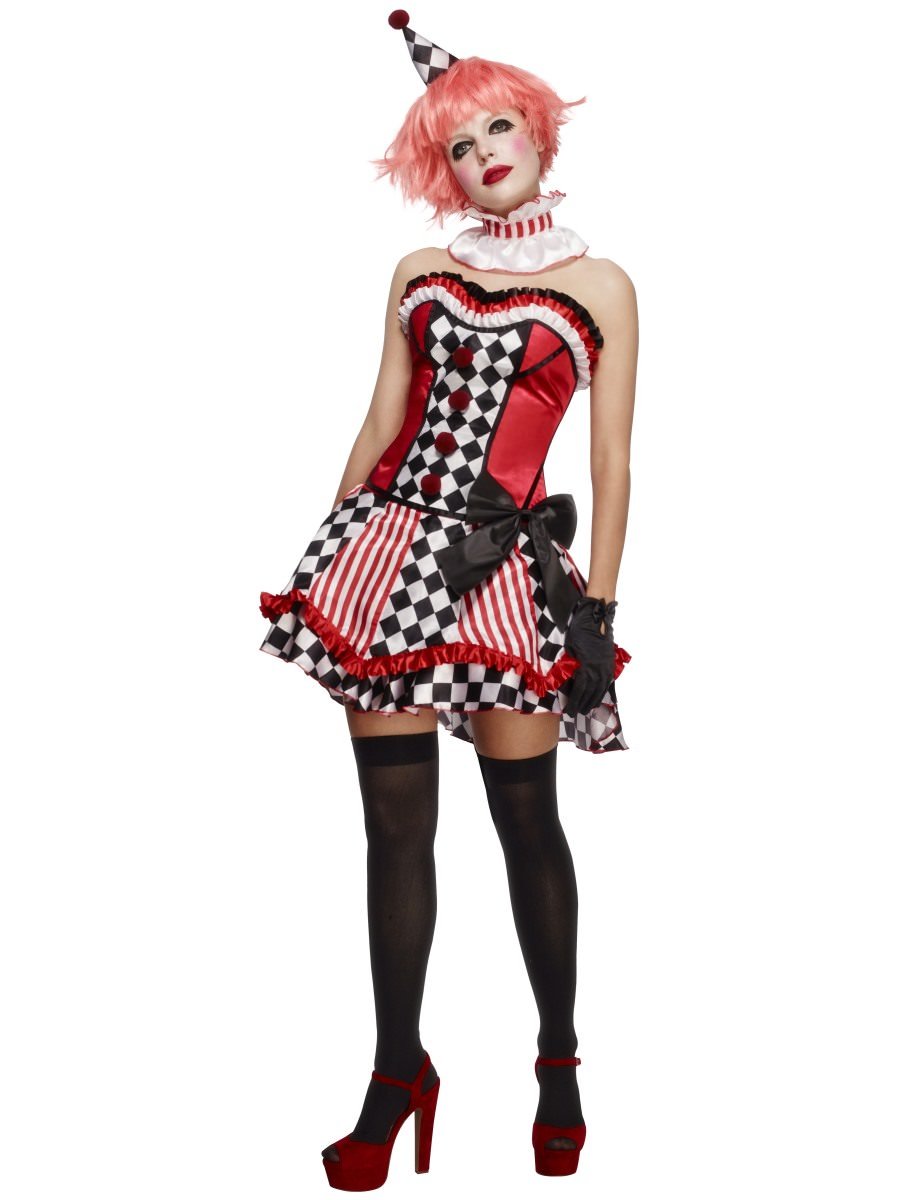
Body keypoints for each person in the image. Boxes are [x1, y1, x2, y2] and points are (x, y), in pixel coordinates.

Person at [258, 10, 638, 1188]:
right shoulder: (420, 274)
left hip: (508, 574)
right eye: (460, 146)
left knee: (527, 821)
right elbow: (383, 417)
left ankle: (559, 1062)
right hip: (392, 554)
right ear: (444, 169)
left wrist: (597, 612)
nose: (484, 155)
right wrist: (331, 547)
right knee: (393, 832)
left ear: (538, 131)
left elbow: (612, 463)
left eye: (498, 129)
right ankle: (396, 1070)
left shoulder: (601, 284)